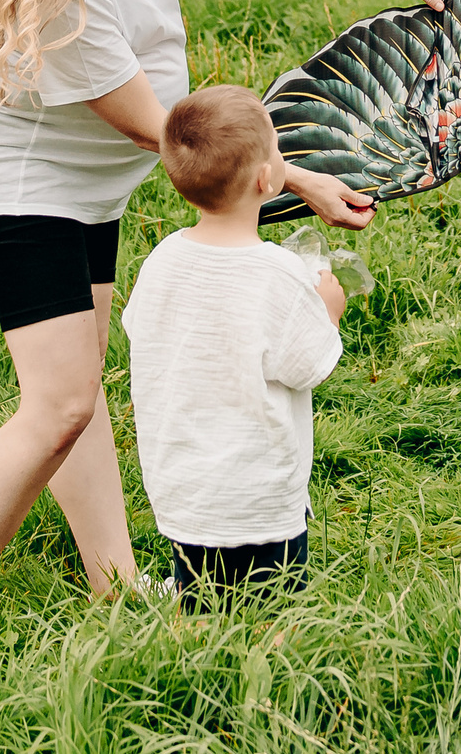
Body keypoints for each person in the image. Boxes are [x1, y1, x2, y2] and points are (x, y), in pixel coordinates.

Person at [0, 0, 461, 628]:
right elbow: (167, 134)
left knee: (79, 387)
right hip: (23, 174)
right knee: (57, 402)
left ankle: (115, 580)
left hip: (92, 176)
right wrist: (302, 181)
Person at [122, 85, 344, 608]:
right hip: (258, 498)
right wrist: (328, 311)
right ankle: (266, 685)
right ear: (268, 179)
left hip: (184, 489)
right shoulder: (279, 275)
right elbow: (310, 364)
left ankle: (191, 678)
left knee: (198, 607)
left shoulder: (163, 261)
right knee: (270, 616)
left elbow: (141, 329)